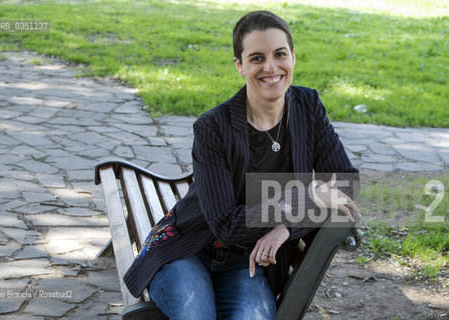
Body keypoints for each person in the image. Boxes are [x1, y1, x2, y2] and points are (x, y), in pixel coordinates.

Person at [123, 10, 361, 320]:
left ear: (293, 57)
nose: (271, 67)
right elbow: (225, 223)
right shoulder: (213, 127)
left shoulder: (308, 108)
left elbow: (345, 186)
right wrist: (308, 200)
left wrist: (287, 227)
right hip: (186, 249)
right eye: (257, 58)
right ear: (240, 65)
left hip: (248, 260)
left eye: (279, 54)